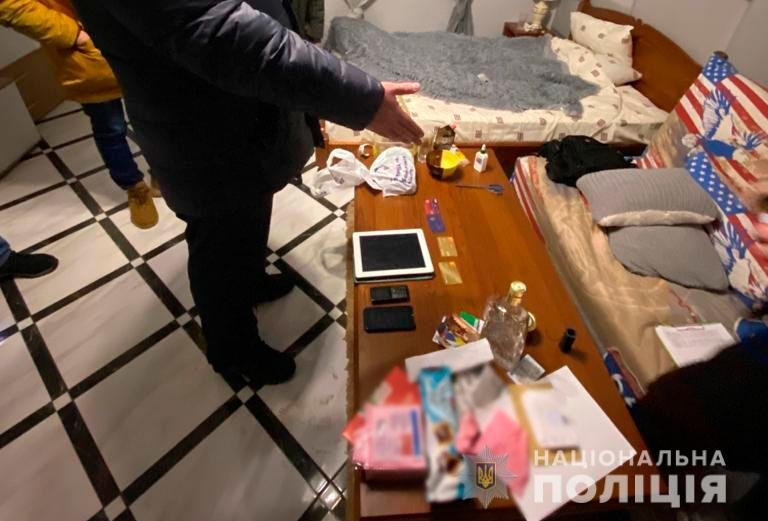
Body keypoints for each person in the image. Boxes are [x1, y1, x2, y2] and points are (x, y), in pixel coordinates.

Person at [72, 0, 424, 386]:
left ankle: (251, 280)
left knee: (249, 211)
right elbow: (224, 33)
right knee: (219, 241)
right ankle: (233, 350)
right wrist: (361, 98)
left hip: (235, 114)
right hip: (198, 127)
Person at [0, 0, 159, 229]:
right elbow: (10, 5)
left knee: (155, 115)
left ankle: (162, 172)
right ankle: (135, 188)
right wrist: (71, 34)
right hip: (87, 53)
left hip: (137, 35)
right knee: (111, 128)